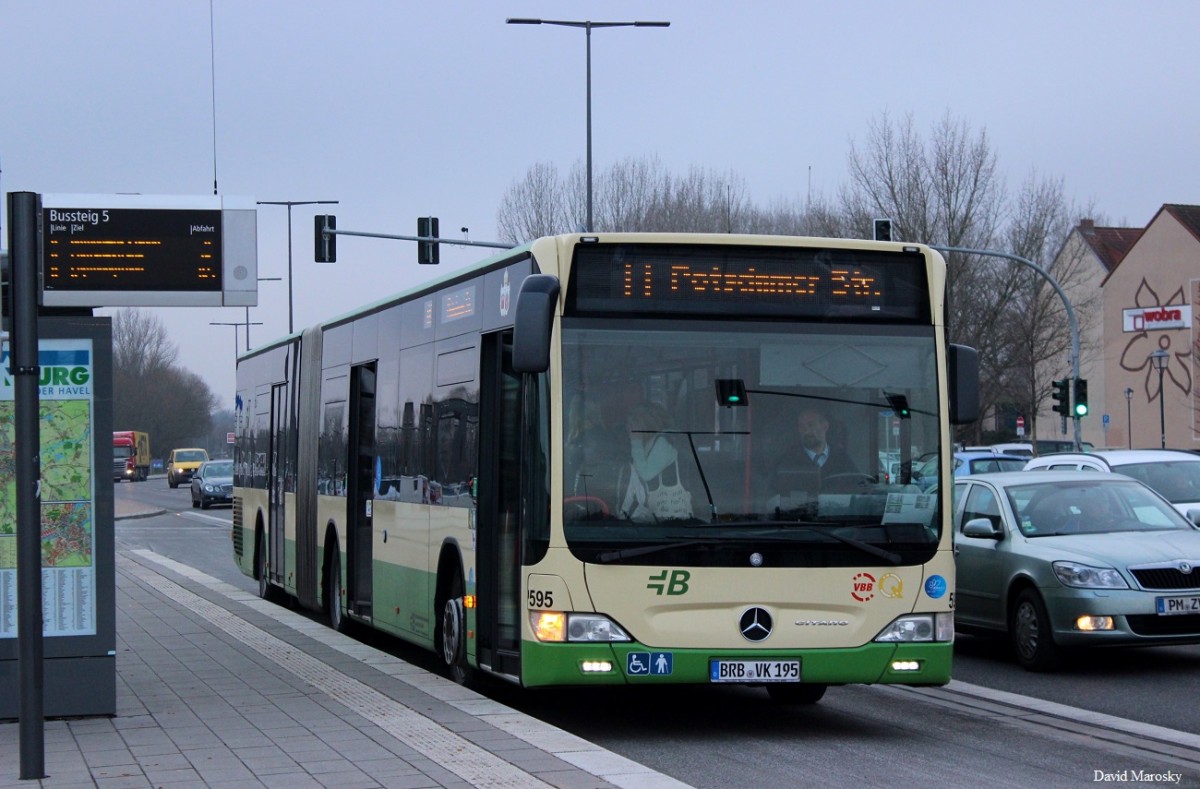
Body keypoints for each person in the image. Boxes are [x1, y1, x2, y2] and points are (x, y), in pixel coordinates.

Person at [619, 402, 693, 522]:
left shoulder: (662, 442)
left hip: (670, 518)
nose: (629, 427)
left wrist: (636, 440)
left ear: (646, 423)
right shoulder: (652, 442)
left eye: (633, 423)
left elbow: (646, 474)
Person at [769, 406, 862, 501]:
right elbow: (773, 497)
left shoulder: (843, 460)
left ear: (825, 426)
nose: (806, 431)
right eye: (802, 427)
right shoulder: (787, 462)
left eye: (811, 425)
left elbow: (859, 491)